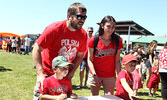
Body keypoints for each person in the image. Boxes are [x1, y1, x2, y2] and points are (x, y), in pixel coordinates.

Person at [32, 2, 87, 100]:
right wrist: (41, 74)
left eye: (84, 17)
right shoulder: (54, 29)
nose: (82, 20)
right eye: (79, 17)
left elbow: (80, 55)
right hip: (47, 73)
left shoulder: (83, 34)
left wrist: (71, 72)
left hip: (64, 74)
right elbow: (36, 49)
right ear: (69, 16)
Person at [87, 15, 123, 95]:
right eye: (108, 26)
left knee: (110, 97)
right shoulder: (94, 39)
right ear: (102, 26)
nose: (111, 29)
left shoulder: (118, 40)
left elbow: (117, 61)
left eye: (113, 27)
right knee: (94, 97)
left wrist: (120, 76)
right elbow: (89, 59)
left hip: (110, 75)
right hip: (95, 74)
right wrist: (94, 75)